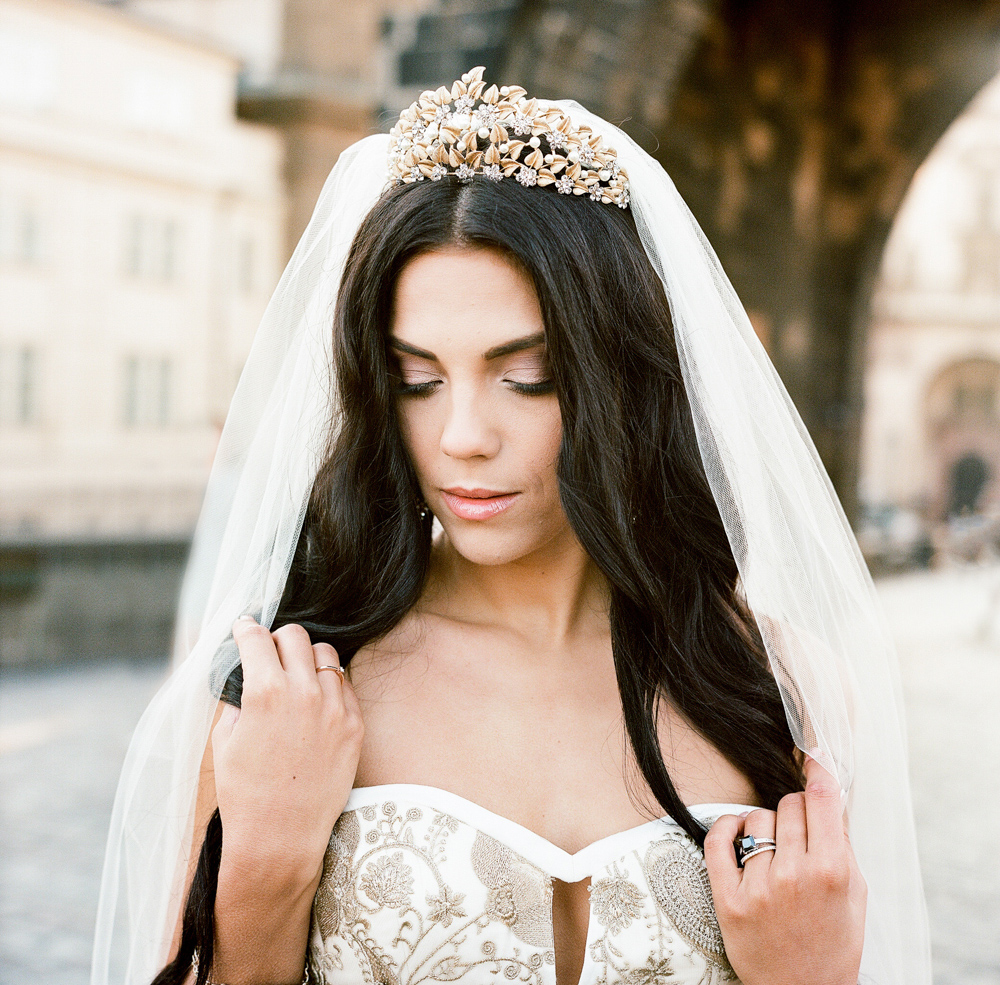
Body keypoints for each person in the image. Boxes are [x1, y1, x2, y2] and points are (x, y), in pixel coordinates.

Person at [93, 68, 930, 985]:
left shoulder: (786, 689)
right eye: (418, 380)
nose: (461, 437)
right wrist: (266, 864)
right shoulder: (290, 695)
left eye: (525, 376)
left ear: (619, 379)